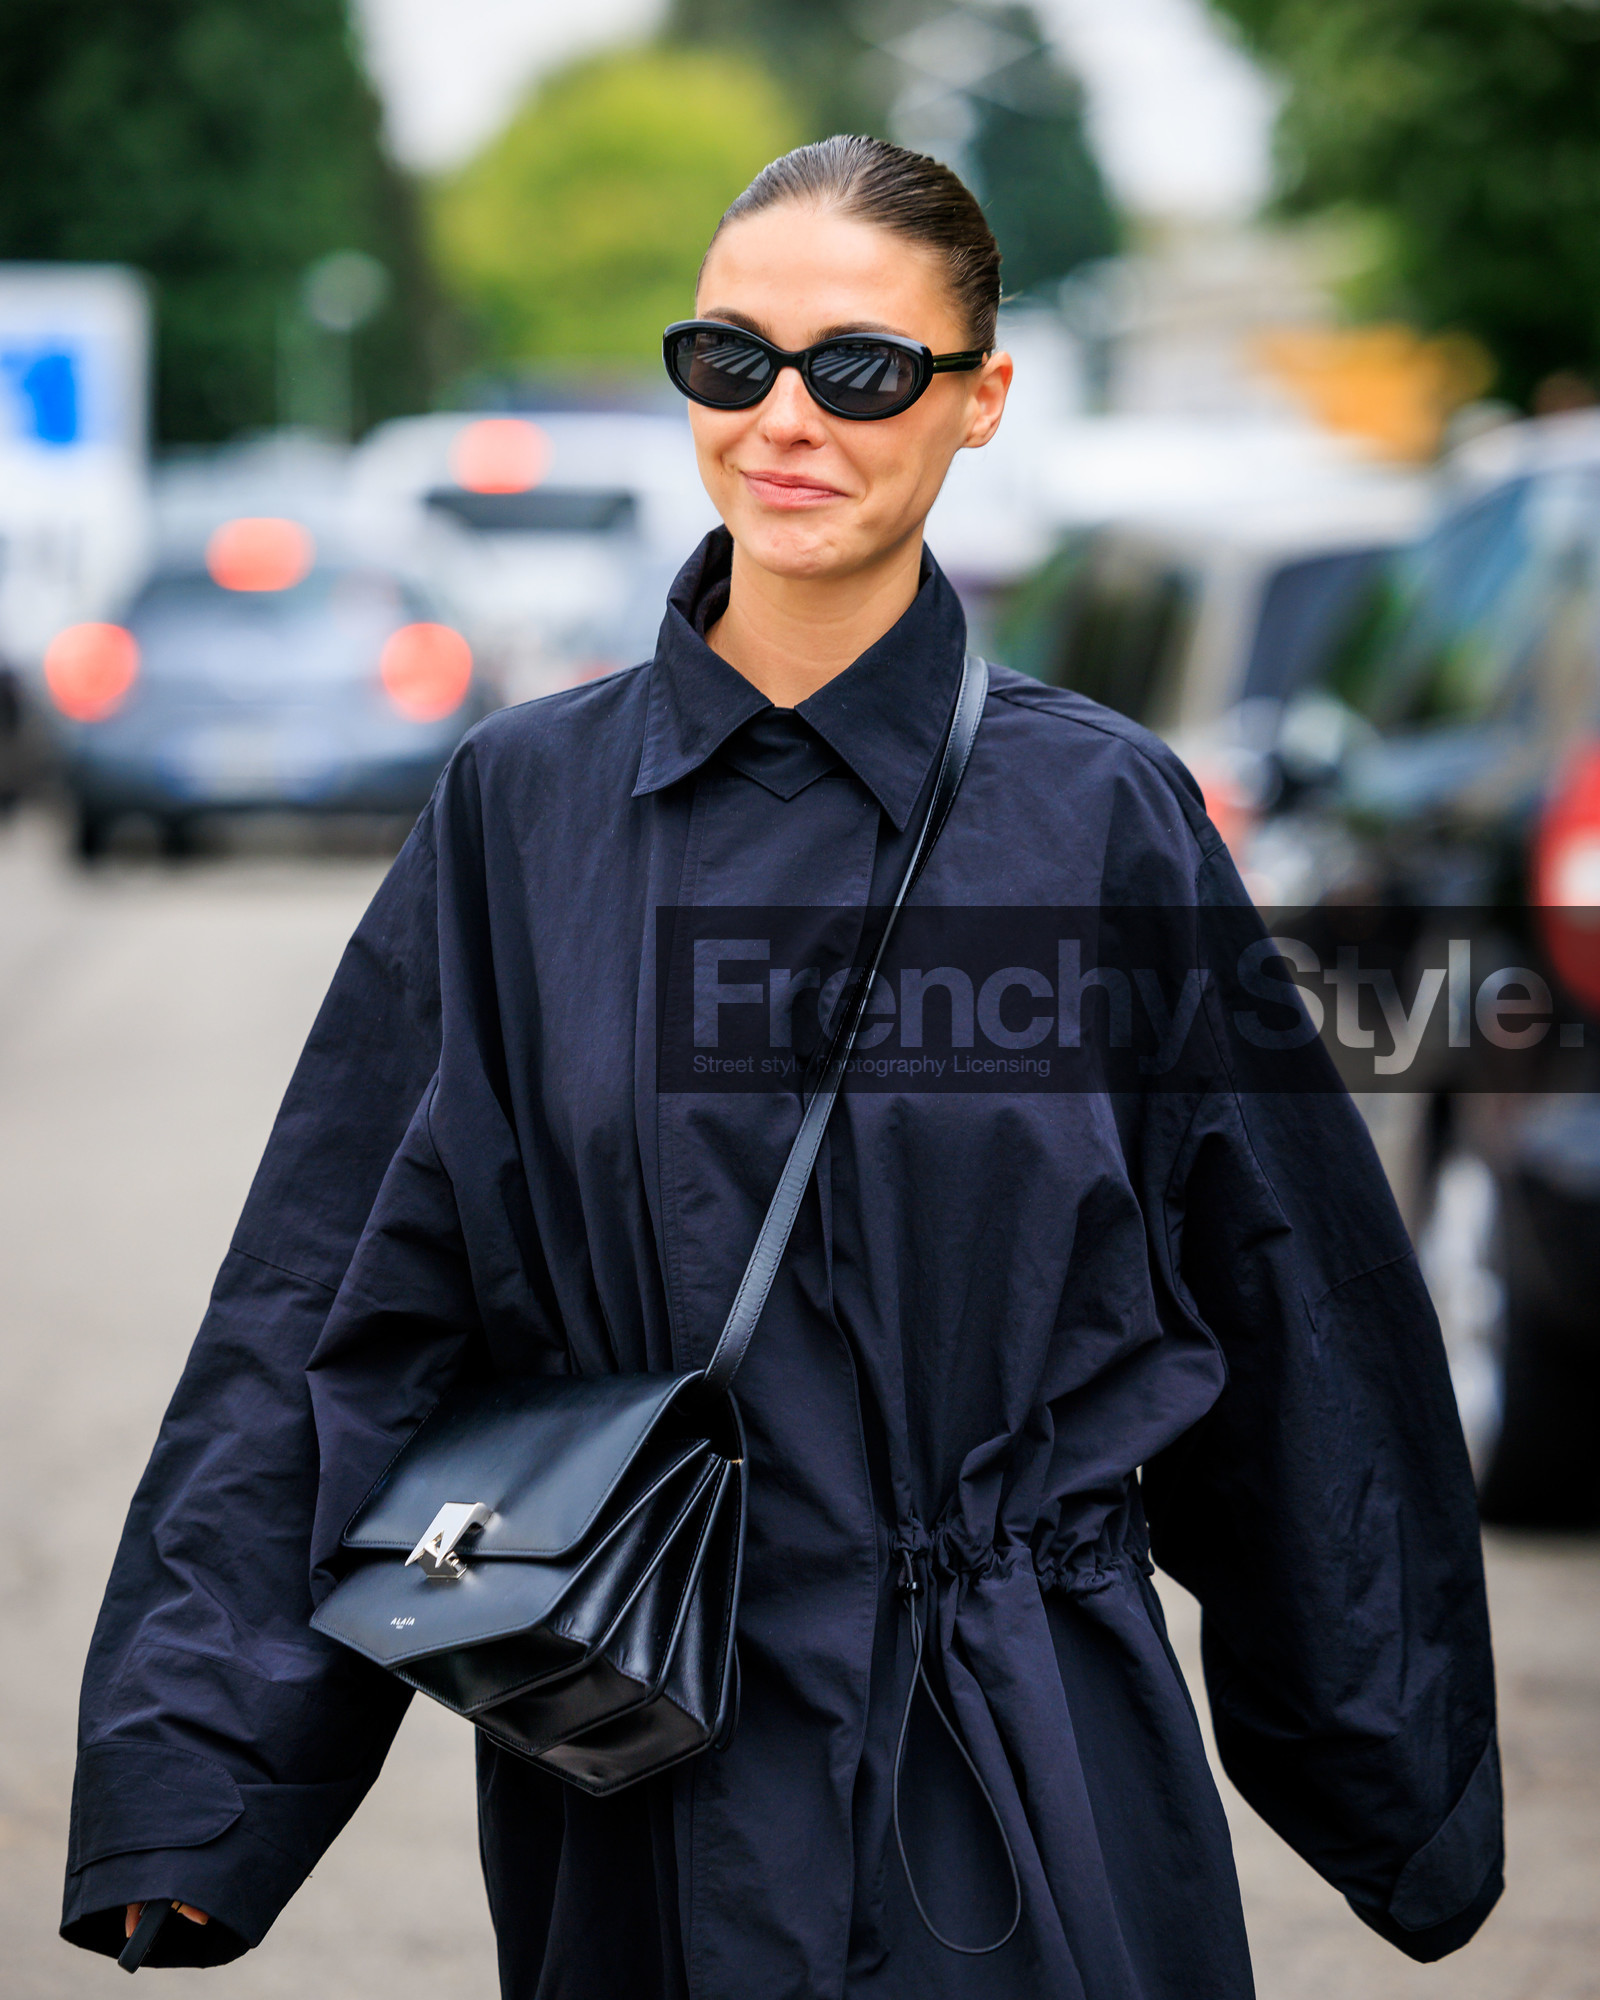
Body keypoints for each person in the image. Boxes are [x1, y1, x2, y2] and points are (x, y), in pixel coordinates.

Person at [63, 137, 1501, 1998]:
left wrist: (1398, 1773)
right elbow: (330, 1301)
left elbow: (1298, 1315)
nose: (786, 418)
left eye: (864, 367)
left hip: (1029, 1775)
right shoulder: (526, 813)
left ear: (981, 401)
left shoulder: (1099, 824)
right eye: (729, 359)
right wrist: (199, 1783)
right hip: (644, 1772)